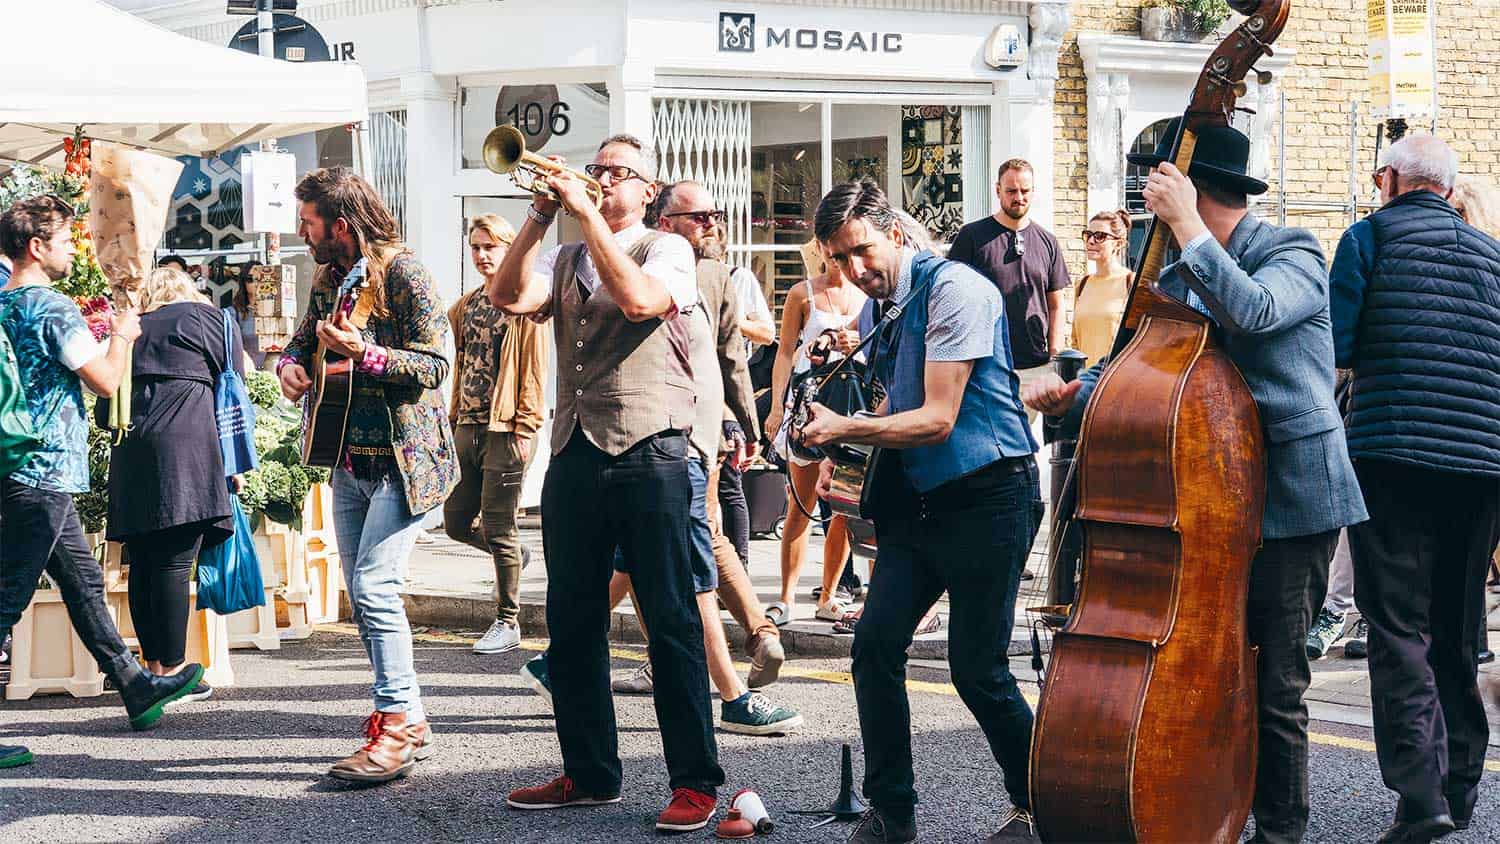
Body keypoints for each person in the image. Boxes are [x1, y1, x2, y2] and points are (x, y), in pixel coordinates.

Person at [1024, 120, 1368, 844]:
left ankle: (1280, 831)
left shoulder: (1292, 250)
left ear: (1190, 188)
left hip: (1289, 495)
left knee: (1274, 683)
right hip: (1207, 499)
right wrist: (1078, 398)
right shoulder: (1178, 273)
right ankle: (1209, 814)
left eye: (1161, 192)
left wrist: (1186, 227)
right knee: (1207, 673)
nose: (1151, 208)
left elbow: (1256, 312)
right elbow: (1156, 378)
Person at [490, 134, 724, 834]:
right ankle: (590, 774)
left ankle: (696, 782)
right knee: (572, 622)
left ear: (646, 190)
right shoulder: (563, 254)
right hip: (574, 450)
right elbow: (506, 294)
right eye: (594, 172)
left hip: (652, 451)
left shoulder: (668, 248)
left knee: (672, 620)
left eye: (615, 173)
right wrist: (537, 217)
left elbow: (640, 302)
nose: (598, 181)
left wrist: (585, 216)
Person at [796, 181, 1042, 843]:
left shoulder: (957, 290)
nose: (853, 272)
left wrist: (847, 425)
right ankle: (891, 812)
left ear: (895, 233)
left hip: (991, 494)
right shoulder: (881, 310)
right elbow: (892, 409)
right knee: (874, 647)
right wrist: (841, 452)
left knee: (978, 670)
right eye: (837, 261)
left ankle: (1039, 809)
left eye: (861, 252)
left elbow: (936, 418)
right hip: (920, 503)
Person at [1329, 134, 1500, 842]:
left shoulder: (1367, 238)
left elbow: (1334, 346)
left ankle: (1421, 794)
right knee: (1459, 626)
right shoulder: (1494, 256)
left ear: (1390, 178)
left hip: (1393, 452)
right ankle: (1461, 786)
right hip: (1483, 465)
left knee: (1397, 624)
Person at [0, 196, 204, 742]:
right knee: (7, 597)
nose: (74, 248)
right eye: (66, 240)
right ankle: (134, 682)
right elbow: (108, 381)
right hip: (43, 469)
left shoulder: (3, 304)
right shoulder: (52, 309)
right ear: (37, 247)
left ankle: (135, 684)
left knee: (84, 585)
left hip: (20, 465)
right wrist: (123, 335)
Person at [277, 167, 458, 784]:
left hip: (405, 463)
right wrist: (290, 367)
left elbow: (435, 365)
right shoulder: (331, 277)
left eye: (308, 223)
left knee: (377, 590)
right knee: (365, 596)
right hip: (348, 459)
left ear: (342, 224)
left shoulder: (405, 273)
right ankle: (411, 715)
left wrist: (368, 354)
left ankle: (397, 723)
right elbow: (301, 343)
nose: (302, 233)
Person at [606, 179, 799, 734]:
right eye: (700, 218)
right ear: (664, 221)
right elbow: (726, 363)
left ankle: (570, 655)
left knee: (668, 557)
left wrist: (736, 427)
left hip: (682, 439)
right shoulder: (687, 273)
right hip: (672, 439)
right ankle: (736, 690)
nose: (713, 225)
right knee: (692, 563)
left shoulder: (711, 275)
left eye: (716, 216)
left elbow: (727, 361)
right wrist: (734, 428)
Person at [101, 267, 243, 704]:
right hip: (187, 444)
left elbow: (105, 390)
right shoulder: (209, 320)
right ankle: (175, 669)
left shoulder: (133, 327)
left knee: (144, 561)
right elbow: (234, 379)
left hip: (132, 446)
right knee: (176, 564)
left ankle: (153, 667)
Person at [444, 213, 547, 656]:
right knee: (454, 522)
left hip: (508, 426)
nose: (482, 255)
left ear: (510, 249)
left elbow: (537, 371)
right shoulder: (464, 305)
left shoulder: (525, 303)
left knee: (500, 525)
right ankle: (513, 562)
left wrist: (526, 425)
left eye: (491, 247)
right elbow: (462, 366)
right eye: (476, 247)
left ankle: (508, 620)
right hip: (467, 424)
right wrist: (451, 422)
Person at [764, 239, 865, 625]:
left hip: (854, 408)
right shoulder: (801, 293)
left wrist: (855, 342)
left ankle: (828, 596)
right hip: (809, 408)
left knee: (843, 508)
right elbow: (785, 352)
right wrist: (775, 408)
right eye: (831, 249)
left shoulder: (868, 295)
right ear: (820, 250)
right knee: (801, 505)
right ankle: (786, 597)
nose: (838, 258)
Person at [947, 158, 1071, 424]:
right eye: (1011, 191)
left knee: (1026, 446)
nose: (1019, 198)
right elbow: (951, 298)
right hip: (985, 365)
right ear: (997, 190)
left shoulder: (1047, 241)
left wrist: (1054, 354)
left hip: (1034, 366)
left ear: (1033, 191)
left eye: (1025, 191)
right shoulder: (971, 237)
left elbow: (1056, 303)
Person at [720, 259, 774, 569]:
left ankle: (737, 568)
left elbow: (766, 334)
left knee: (729, 481)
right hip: (677, 389)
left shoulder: (737, 278)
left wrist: (729, 317)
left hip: (726, 392)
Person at [1069, 209, 1133, 366]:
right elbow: (1076, 341)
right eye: (1088, 235)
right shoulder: (1082, 285)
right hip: (1086, 382)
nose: (1091, 241)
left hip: (1116, 380)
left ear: (1118, 243)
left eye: (1100, 236)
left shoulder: (1131, 282)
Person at [228, 262, 265, 369]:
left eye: (260, 278)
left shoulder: (276, 312)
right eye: (250, 279)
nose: (255, 282)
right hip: (247, 373)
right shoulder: (234, 313)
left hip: (274, 371)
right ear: (244, 282)